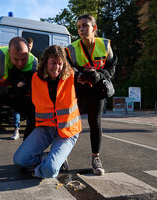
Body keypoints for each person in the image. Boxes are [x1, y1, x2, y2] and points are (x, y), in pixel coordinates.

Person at [13, 45, 81, 178]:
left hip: (67, 130)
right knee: (19, 160)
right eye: (53, 63)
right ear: (45, 63)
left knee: (50, 170)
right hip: (46, 128)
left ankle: (47, 166)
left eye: (60, 63)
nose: (57, 67)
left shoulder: (72, 76)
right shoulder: (35, 78)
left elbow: (87, 80)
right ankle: (50, 159)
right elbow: (19, 78)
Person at [65, 14, 118, 175]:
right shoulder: (71, 49)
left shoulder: (105, 45)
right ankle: (63, 156)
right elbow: (67, 69)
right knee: (70, 122)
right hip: (78, 89)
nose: (81, 29)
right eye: (79, 26)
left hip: (97, 89)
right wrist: (79, 75)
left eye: (85, 26)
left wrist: (100, 75)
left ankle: (96, 158)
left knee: (95, 122)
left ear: (94, 28)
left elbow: (111, 68)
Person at [0, 36, 37, 180]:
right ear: (9, 53)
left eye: (24, 58)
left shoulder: (34, 62)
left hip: (15, 93)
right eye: (16, 59)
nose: (20, 63)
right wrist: (10, 91)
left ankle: (26, 156)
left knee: (35, 115)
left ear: (29, 51)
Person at [10, 37, 36, 140]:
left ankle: (27, 140)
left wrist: (24, 83)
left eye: (30, 47)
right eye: (27, 47)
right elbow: (15, 80)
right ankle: (16, 130)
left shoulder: (34, 61)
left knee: (31, 119)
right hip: (17, 95)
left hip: (28, 96)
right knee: (16, 111)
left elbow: (32, 79)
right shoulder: (14, 63)